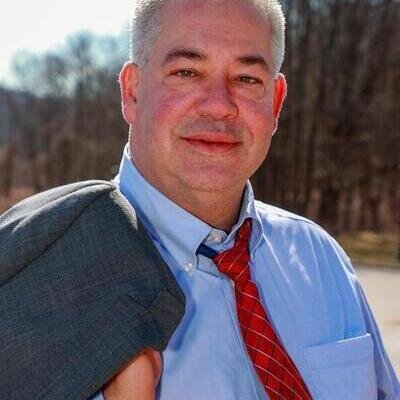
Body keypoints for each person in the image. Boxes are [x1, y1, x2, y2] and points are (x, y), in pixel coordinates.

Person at [5, 0, 399, 399]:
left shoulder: (320, 259)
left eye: (246, 78)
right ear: (133, 92)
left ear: (276, 102)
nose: (219, 105)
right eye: (187, 72)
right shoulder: (37, 283)